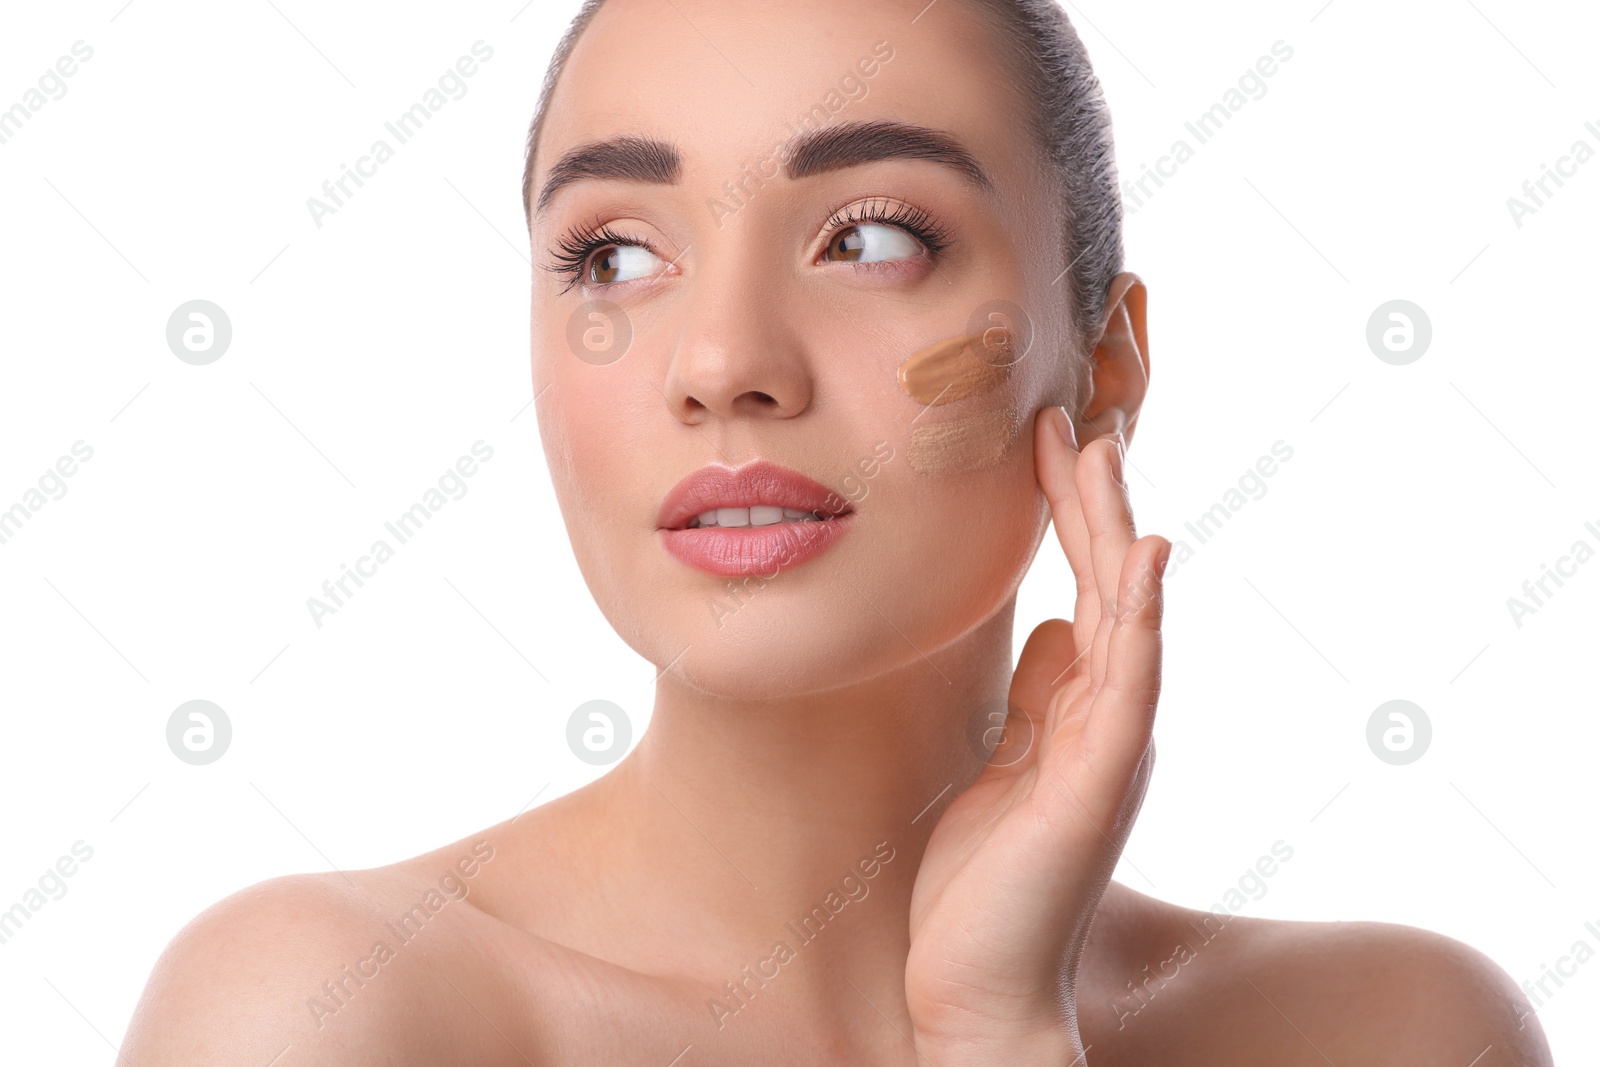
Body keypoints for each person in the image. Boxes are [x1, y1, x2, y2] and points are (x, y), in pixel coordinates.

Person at [123, 0, 1553, 1062]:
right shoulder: (325, 1014)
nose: (723, 359)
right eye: (616, 253)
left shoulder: (1392, 1033)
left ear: (1104, 367)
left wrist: (997, 1032)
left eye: (869, 237)